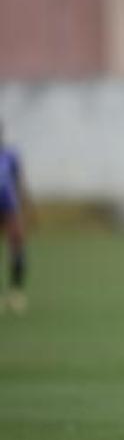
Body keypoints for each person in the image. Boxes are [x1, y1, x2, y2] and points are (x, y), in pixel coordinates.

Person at [0, 121, 28, 315]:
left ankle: (16, 291)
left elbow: (18, 181)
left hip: (9, 205)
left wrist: (26, 205)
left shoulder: (10, 155)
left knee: (17, 243)